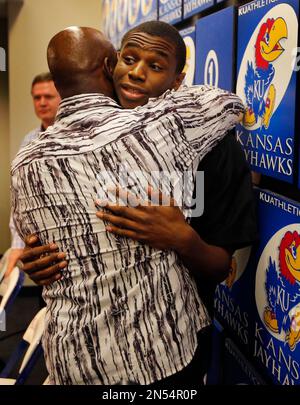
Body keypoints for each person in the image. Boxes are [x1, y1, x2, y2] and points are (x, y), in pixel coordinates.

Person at [12, 24, 244, 385]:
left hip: (173, 348)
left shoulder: (213, 147)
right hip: (88, 360)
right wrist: (36, 259)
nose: (136, 72)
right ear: (110, 65)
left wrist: (181, 238)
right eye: (129, 59)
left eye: (155, 65)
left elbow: (220, 266)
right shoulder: (69, 145)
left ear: (178, 81)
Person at [6, 73, 61, 278]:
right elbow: (19, 196)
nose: (42, 102)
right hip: (41, 243)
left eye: (48, 96)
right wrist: (17, 244)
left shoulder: (79, 134)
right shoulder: (29, 141)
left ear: (62, 97)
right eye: (37, 98)